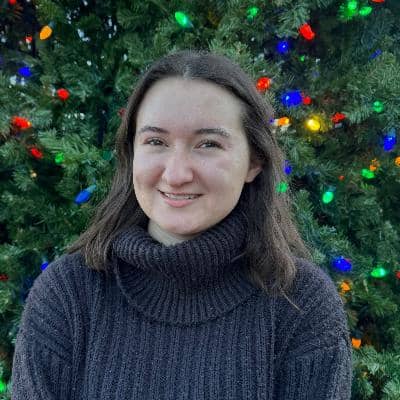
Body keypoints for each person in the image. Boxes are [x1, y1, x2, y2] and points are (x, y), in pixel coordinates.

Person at [11, 49, 353, 399]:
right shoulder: (68, 294)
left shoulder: (301, 304)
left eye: (208, 144)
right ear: (132, 154)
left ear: (254, 162)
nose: (176, 174)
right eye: (156, 142)